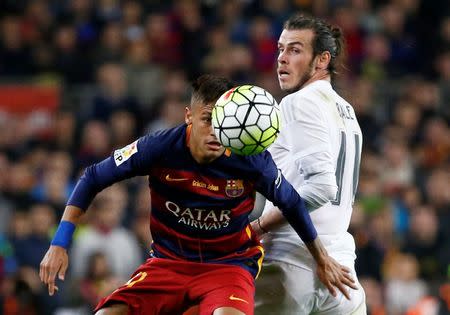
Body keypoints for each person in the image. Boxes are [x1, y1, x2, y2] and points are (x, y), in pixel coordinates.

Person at [39, 74, 355, 315]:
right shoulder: (159, 148)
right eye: (207, 119)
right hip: (167, 264)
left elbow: (292, 202)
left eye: (223, 121)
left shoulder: (250, 158)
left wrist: (322, 258)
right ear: (189, 116)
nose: (217, 131)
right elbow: (93, 177)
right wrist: (59, 242)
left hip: (228, 267)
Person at [251, 14, 367, 315]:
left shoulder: (298, 103)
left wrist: (259, 225)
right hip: (343, 272)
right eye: (280, 49)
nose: (282, 59)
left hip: (293, 263)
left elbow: (321, 187)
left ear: (322, 60)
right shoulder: (347, 111)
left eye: (295, 50)